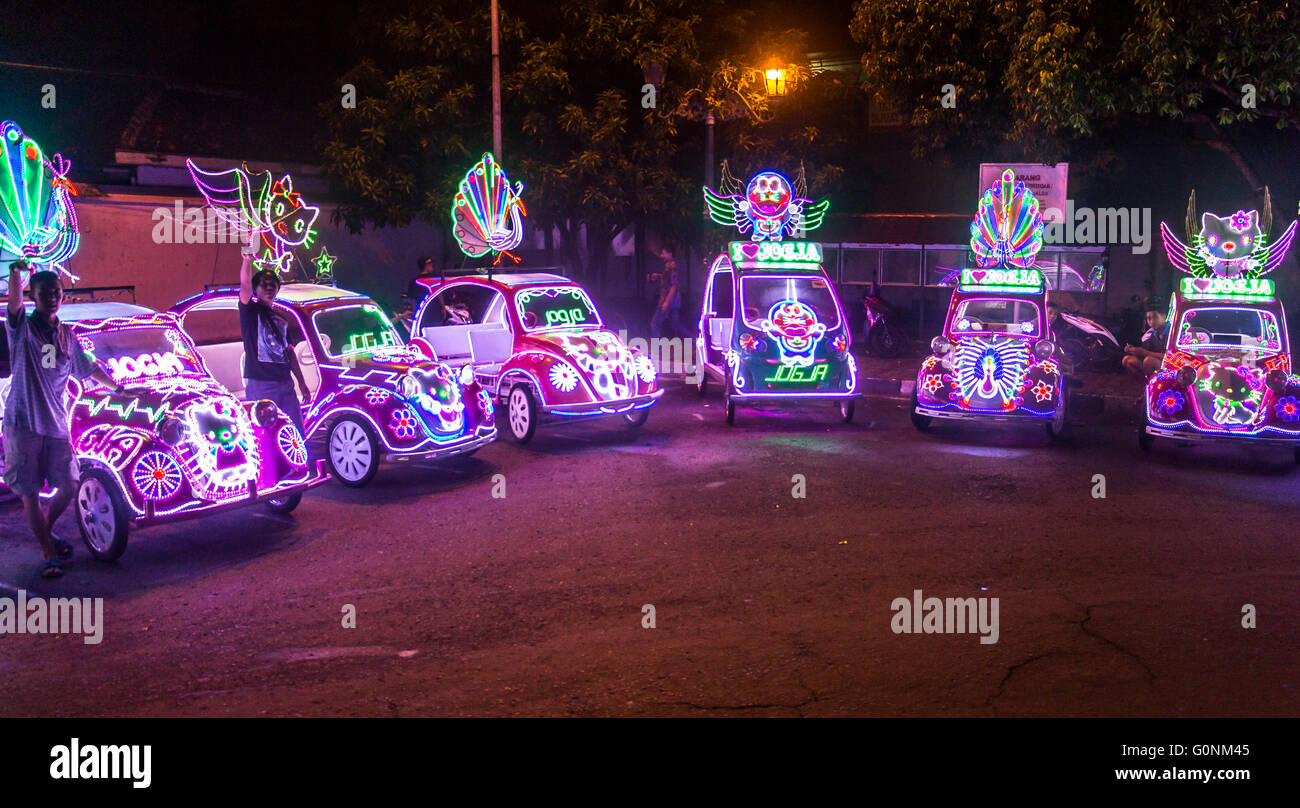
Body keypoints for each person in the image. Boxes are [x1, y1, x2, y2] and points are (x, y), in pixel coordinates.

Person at [4, 260, 121, 578]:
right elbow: (13, 306)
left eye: (56, 292)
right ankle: (47, 553)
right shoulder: (22, 329)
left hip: (56, 424)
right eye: (44, 293)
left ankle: (46, 530)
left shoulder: (67, 335)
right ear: (34, 296)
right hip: (24, 421)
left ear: (62, 296)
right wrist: (16, 276)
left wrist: (118, 388)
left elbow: (88, 368)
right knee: (28, 490)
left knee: (69, 484)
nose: (52, 297)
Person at [239, 233, 309, 438]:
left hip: (284, 382)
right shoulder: (250, 311)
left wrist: (301, 382)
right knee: (265, 434)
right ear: (256, 289)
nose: (269, 289)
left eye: (273, 285)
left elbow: (289, 353)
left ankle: (298, 468)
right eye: (264, 285)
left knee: (294, 431)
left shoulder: (281, 319)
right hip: (261, 384)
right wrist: (246, 261)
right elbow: (244, 287)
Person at [1122, 299, 1169, 378]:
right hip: (1152, 362)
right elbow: (1145, 351)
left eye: (1154, 317)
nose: (1150, 321)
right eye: (1148, 318)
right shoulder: (1153, 333)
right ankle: (1143, 383)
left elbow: (1169, 356)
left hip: (1168, 366)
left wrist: (1144, 352)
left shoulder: (1171, 332)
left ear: (1164, 317)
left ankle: (1151, 384)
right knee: (1126, 360)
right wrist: (1133, 350)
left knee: (1148, 360)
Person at [649, 247, 682, 338]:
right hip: (673, 300)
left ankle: (656, 348)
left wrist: (666, 302)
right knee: (677, 326)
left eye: (664, 253)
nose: (662, 255)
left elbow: (674, 285)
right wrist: (659, 276)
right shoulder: (670, 265)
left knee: (655, 323)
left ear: (670, 253)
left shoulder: (672, 266)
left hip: (668, 299)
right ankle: (695, 341)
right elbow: (670, 279)